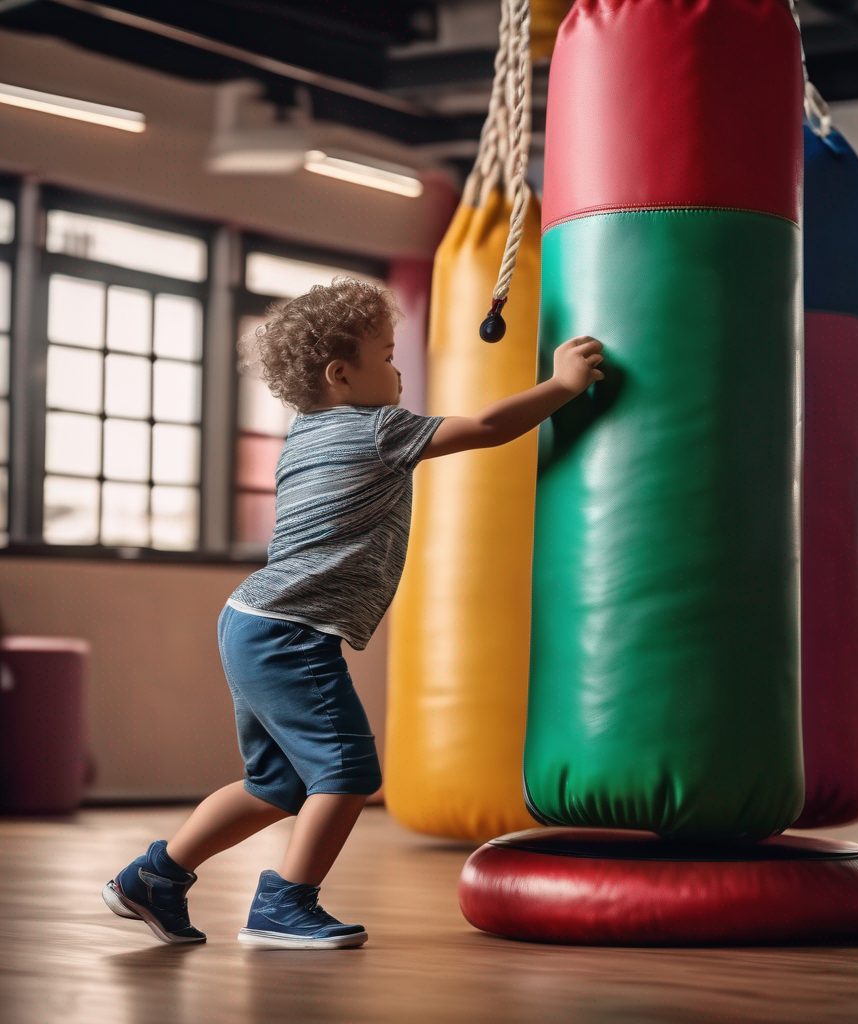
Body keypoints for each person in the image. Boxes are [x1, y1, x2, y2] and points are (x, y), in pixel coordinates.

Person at [102, 276, 605, 949]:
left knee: (272, 784)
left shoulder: (304, 434)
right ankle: (284, 905)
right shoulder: (378, 430)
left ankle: (153, 879)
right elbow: (485, 428)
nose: (399, 370)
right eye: (389, 356)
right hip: (289, 631)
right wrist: (563, 385)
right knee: (348, 771)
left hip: (250, 621)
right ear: (341, 375)